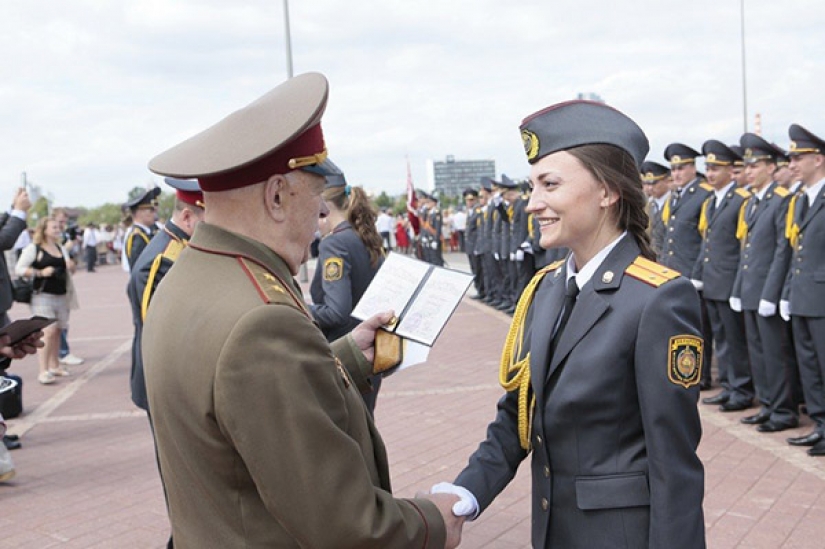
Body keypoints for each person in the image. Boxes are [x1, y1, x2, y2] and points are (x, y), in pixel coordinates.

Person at [142, 72, 463, 548]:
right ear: (276, 196)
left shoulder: (189, 275)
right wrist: (433, 522)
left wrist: (348, 356)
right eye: (315, 204)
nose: (319, 222)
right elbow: (345, 524)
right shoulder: (260, 319)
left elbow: (241, 399)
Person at [434, 100, 705, 548]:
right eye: (531, 186)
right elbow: (520, 416)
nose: (532, 203)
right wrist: (468, 490)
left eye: (550, 184)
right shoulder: (547, 289)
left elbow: (674, 465)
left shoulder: (658, 300)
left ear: (607, 191)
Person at [730, 134, 799, 432]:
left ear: (771, 168)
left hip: (767, 291)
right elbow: (747, 252)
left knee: (775, 354)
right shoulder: (753, 204)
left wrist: (771, 294)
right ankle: (768, 404)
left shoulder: (782, 200)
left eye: (755, 166)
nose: (749, 172)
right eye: (747, 167)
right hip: (750, 290)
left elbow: (783, 250)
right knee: (757, 353)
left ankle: (783, 411)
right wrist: (738, 289)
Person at [310, 170, 385, 414]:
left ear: (325, 205)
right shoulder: (362, 237)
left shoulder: (334, 243)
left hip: (347, 352)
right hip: (369, 352)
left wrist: (296, 306)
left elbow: (336, 312)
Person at [692, 140, 753, 411]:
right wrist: (698, 274)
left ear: (731, 170)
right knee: (721, 339)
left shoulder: (742, 201)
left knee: (735, 340)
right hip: (712, 281)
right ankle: (729, 386)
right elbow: (706, 243)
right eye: (708, 168)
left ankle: (741, 389)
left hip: (730, 281)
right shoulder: (711, 202)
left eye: (716, 168)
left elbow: (743, 247)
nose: (711, 173)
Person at [781, 124, 825, 456]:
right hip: (802, 296)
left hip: (821, 299)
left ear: (819, 159)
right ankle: (820, 425)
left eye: (799, 157)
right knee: (809, 367)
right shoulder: (801, 200)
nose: (792, 164)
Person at [15, 216, 78, 385]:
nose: (57, 230)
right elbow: (19, 269)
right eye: (54, 227)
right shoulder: (34, 248)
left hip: (61, 294)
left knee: (58, 330)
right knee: (48, 331)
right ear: (43, 230)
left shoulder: (60, 247)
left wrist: (71, 265)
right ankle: (43, 370)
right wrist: (41, 272)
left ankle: (55, 365)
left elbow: (69, 267)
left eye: (58, 227)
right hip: (42, 295)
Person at [52, 208, 84, 368]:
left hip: (64, 281)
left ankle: (58, 353)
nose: (61, 227)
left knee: (63, 320)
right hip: (50, 287)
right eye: (58, 223)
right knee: (55, 323)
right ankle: (62, 352)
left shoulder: (63, 237)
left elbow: (69, 261)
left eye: (63, 222)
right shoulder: (50, 241)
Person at [122, 187, 161, 271]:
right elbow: (139, 271)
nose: (154, 213)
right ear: (139, 212)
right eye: (151, 210)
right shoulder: (137, 237)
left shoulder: (146, 232)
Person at [641, 160, 671, 256]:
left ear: (666, 180)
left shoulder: (673, 203)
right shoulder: (648, 205)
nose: (650, 188)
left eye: (654, 183)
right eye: (646, 184)